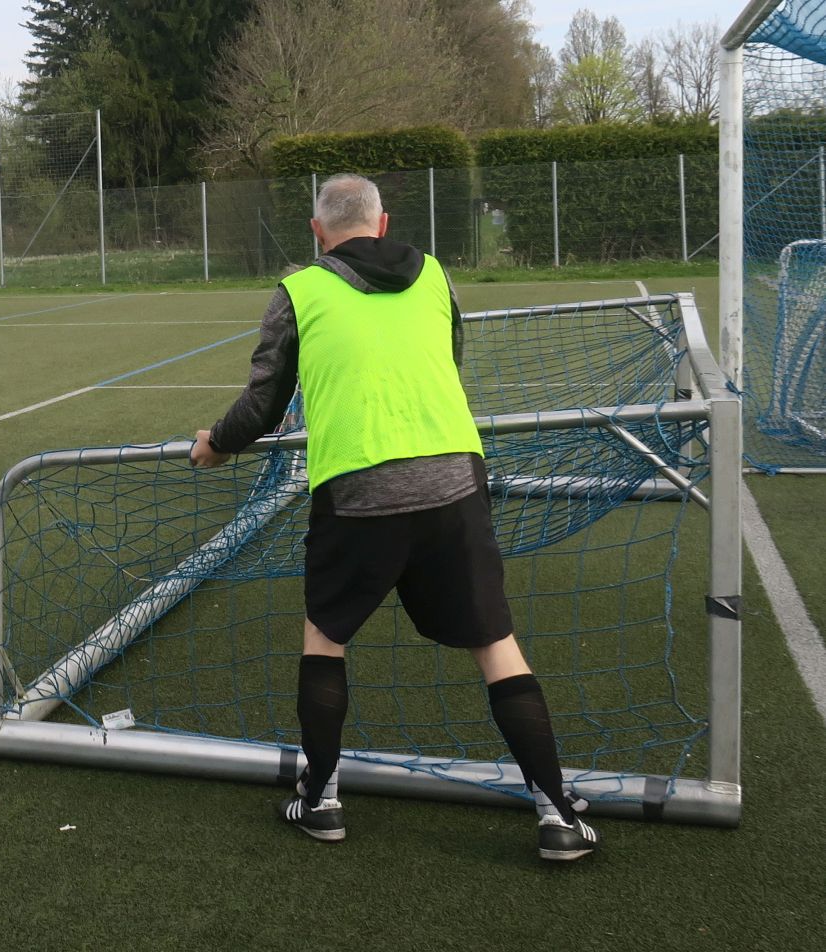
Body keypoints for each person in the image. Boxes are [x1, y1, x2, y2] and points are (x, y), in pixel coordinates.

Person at [188, 173, 599, 862]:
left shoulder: (299, 289)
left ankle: (320, 800)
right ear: (382, 224)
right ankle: (556, 812)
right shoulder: (435, 275)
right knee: (496, 643)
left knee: (325, 636)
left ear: (317, 233)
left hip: (357, 490)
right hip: (454, 482)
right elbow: (449, 360)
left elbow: (262, 405)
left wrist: (217, 444)